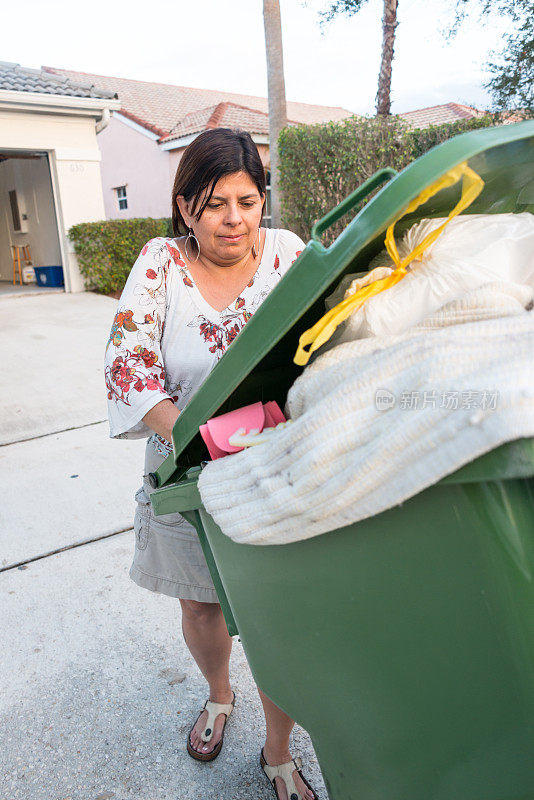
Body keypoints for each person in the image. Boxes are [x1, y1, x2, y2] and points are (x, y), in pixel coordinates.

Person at [105, 128, 317, 800]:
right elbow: (127, 363)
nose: (234, 218)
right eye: (216, 203)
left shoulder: (288, 254)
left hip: (277, 467)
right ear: (187, 206)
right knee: (201, 603)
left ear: (264, 202)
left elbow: (334, 335)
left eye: (248, 201)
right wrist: (197, 444)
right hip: (185, 469)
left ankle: (279, 750)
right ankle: (220, 695)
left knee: (278, 614)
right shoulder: (161, 262)